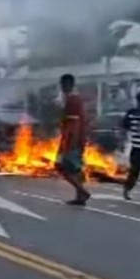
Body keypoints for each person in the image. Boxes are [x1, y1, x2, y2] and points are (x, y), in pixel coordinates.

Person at [56, 74, 91, 206]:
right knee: (76, 170)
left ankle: (83, 192)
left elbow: (74, 125)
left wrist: (69, 145)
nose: (61, 88)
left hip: (72, 140)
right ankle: (80, 198)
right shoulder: (75, 99)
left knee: (62, 168)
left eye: (62, 85)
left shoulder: (72, 100)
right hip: (78, 139)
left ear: (67, 85)